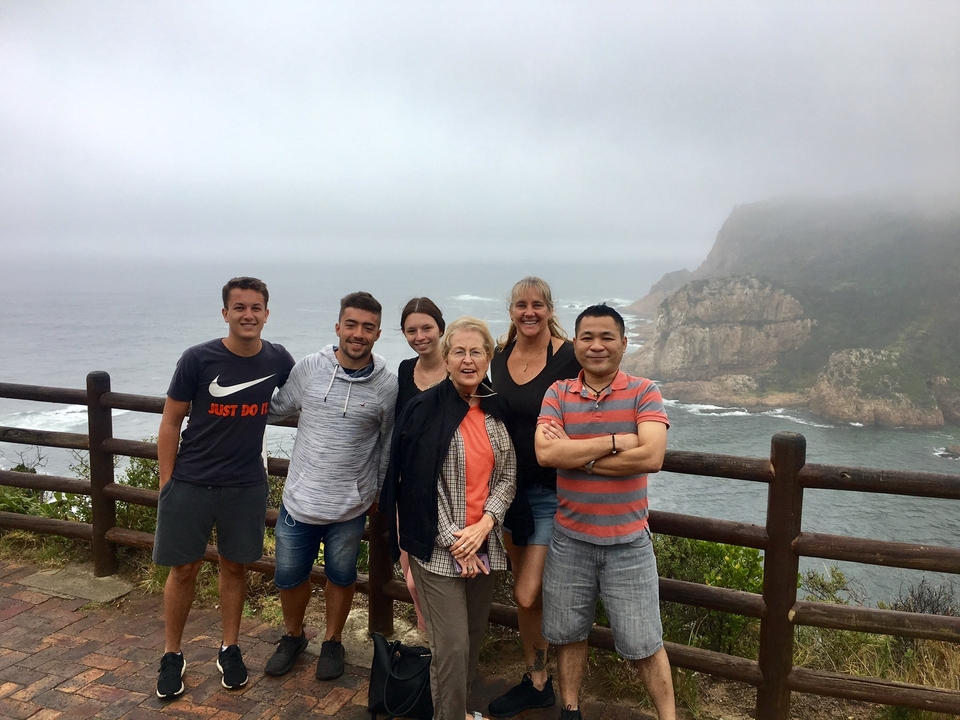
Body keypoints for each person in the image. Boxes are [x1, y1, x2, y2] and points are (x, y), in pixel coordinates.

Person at [154, 276, 295, 699]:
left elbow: (313, 389)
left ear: (267, 314)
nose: (248, 315)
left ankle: (229, 647)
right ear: (225, 313)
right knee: (184, 569)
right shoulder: (198, 359)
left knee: (235, 567)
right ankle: (171, 655)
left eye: (256, 308)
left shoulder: (278, 359)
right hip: (192, 481)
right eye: (240, 308)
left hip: (245, 484)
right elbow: (170, 421)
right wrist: (167, 483)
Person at [535, 304, 675, 720]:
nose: (596, 346)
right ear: (575, 343)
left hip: (628, 543)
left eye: (606, 337)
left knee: (645, 642)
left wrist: (576, 455)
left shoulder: (644, 390)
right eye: (587, 338)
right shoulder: (558, 392)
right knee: (567, 634)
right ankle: (570, 710)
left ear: (624, 344)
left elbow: (651, 455)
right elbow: (546, 452)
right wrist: (616, 440)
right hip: (569, 539)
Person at [381, 317, 517, 720]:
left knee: (473, 640)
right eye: (459, 351)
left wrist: (486, 525)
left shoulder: (495, 408)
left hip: (484, 545)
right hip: (440, 549)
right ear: (446, 356)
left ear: (489, 356)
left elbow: (508, 475)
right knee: (452, 647)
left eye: (477, 351)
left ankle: (456, 710)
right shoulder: (425, 408)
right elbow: (417, 484)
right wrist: (457, 541)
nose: (468, 359)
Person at [263, 291, 397, 681]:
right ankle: (293, 635)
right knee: (288, 577)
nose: (358, 334)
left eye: (367, 327)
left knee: (341, 577)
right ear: (338, 327)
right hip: (299, 500)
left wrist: (376, 490)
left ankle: (333, 640)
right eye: (351, 325)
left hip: (349, 508)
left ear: (377, 333)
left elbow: (387, 444)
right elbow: (275, 407)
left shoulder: (387, 385)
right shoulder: (310, 368)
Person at [487, 277, 580, 717]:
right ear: (511, 311)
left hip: (551, 492)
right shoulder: (500, 358)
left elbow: (597, 391)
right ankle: (537, 679)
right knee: (525, 591)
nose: (530, 312)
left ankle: (562, 685)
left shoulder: (567, 355)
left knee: (527, 593)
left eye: (537, 305)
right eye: (521, 305)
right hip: (508, 491)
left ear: (549, 308)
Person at [395, 297, 448, 633]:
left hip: (450, 487)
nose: (420, 336)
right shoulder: (403, 370)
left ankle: (448, 656)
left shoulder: (461, 366)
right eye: (411, 330)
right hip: (409, 487)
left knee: (441, 575)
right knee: (413, 579)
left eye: (426, 327)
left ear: (441, 328)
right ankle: (429, 647)